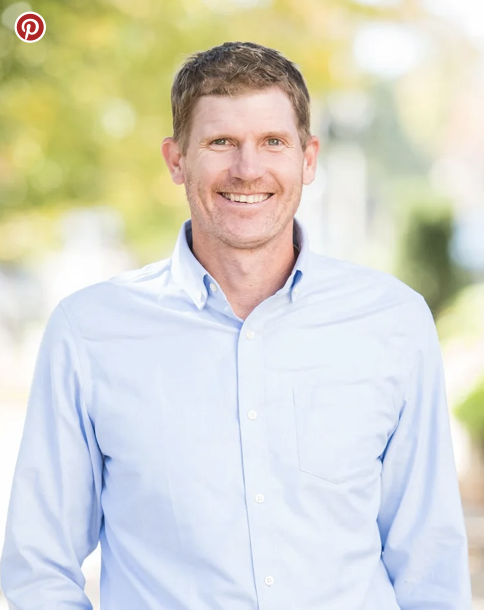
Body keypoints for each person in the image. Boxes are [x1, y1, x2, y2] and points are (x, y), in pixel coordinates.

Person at [0, 41, 472, 610]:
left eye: (273, 141)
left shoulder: (393, 322)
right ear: (176, 160)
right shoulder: (89, 332)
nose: (248, 170)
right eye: (221, 142)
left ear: (308, 158)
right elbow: (38, 566)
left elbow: (429, 565)